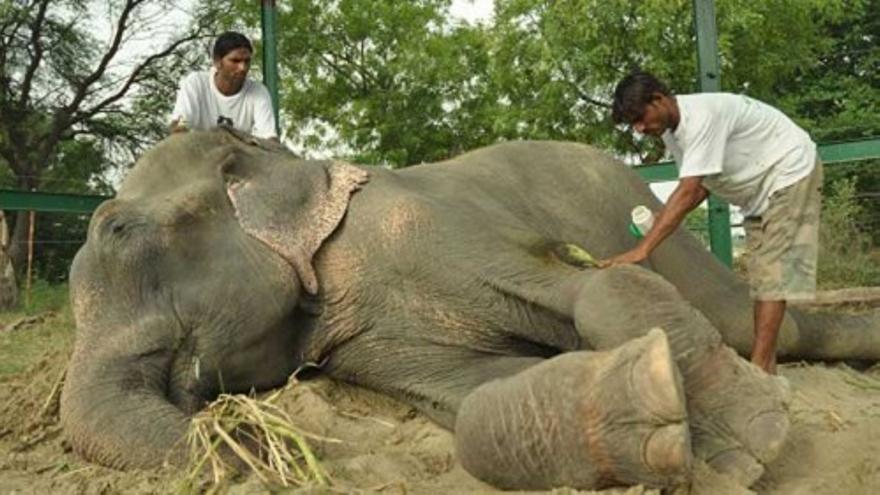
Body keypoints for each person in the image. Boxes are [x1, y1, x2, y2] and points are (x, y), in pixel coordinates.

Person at [601, 70, 823, 375]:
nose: (639, 128)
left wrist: (643, 249)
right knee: (762, 278)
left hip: (789, 173)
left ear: (659, 98)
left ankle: (759, 370)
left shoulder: (702, 117)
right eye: (633, 124)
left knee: (774, 275)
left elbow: (690, 188)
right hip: (758, 192)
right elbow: (702, 184)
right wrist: (659, 226)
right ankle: (766, 365)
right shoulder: (672, 133)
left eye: (640, 117)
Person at [170, 31, 278, 140]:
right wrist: (180, 128)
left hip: (240, 155)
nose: (243, 68)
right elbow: (181, 120)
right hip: (201, 153)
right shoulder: (196, 83)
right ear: (217, 61)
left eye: (247, 61)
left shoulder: (259, 92)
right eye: (235, 61)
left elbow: (268, 136)